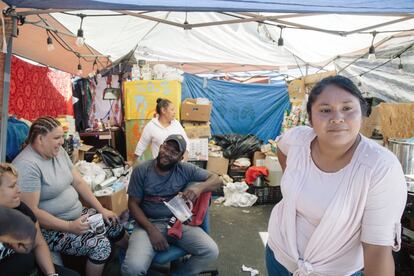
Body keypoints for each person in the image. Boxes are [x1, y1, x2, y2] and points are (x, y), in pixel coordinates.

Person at [266, 75, 407, 276]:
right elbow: (281, 148)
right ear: (310, 117)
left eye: (347, 108)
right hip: (279, 255)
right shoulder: (298, 139)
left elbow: (377, 251)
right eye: (325, 110)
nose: (337, 118)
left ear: (362, 113)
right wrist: (295, 181)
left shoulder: (380, 167)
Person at [12, 116, 128, 276]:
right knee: (101, 246)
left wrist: (101, 209)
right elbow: (32, 211)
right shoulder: (27, 166)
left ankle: (130, 265)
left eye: (62, 137)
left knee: (113, 222)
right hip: (52, 229)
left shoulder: (58, 153)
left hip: (77, 216)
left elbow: (79, 182)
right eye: (57, 138)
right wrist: (69, 227)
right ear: (40, 139)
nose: (61, 142)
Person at [122, 134, 221, 276]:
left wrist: (199, 188)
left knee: (210, 251)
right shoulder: (142, 170)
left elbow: (217, 180)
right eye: (166, 147)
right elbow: (132, 204)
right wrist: (152, 230)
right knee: (133, 268)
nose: (167, 153)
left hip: (177, 223)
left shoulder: (185, 169)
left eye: (174, 152)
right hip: (147, 224)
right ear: (161, 146)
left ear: (181, 158)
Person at [0, 163, 79, 276]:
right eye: (12, 186)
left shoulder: (22, 210)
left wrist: (51, 274)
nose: (19, 190)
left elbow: (39, 244)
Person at [133, 98, 190, 162]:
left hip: (176, 166)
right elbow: (142, 144)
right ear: (163, 110)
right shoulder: (151, 126)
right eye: (172, 110)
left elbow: (186, 142)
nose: (175, 112)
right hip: (160, 166)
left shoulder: (176, 124)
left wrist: (185, 157)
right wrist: (132, 161)